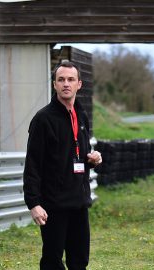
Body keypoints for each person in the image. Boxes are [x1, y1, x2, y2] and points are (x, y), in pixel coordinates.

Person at [23, 60, 102, 270]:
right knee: (52, 261)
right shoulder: (43, 119)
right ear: (55, 85)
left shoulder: (81, 115)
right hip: (53, 205)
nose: (66, 83)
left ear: (79, 84)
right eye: (61, 79)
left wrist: (92, 160)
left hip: (79, 202)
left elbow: (77, 155)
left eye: (70, 79)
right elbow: (32, 165)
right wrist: (34, 203)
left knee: (79, 261)